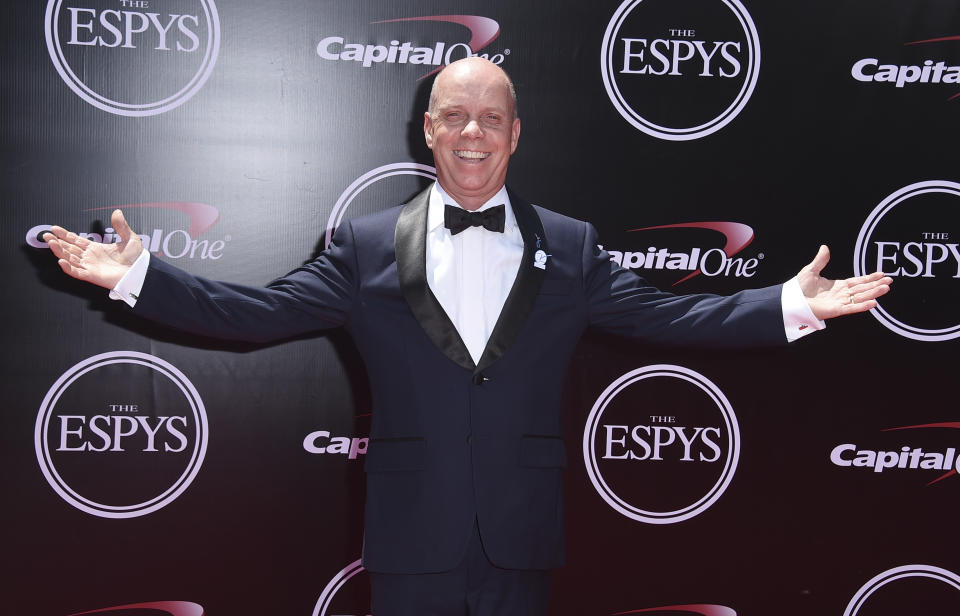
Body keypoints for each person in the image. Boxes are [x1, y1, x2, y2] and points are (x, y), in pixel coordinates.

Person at [44, 57, 891, 616]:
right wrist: (134, 275)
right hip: (414, 529)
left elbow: (675, 316)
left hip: (521, 530)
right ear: (430, 131)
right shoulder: (364, 245)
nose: (474, 133)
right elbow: (255, 315)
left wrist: (789, 303)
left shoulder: (573, 243)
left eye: (492, 117)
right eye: (455, 116)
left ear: (517, 133)